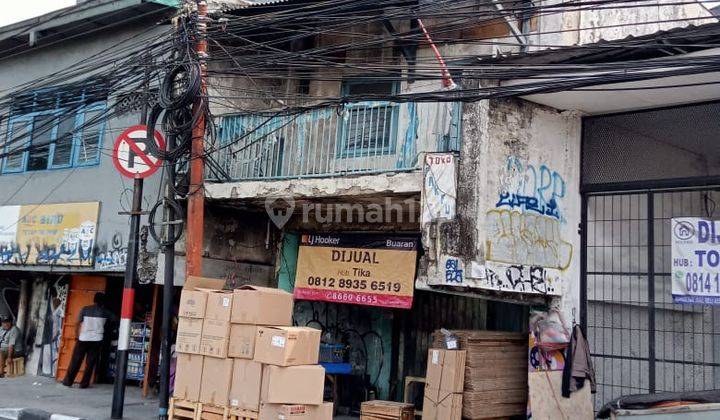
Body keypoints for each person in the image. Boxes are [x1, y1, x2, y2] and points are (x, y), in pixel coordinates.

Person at [62, 292, 116, 388]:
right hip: (97, 340)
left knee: (75, 361)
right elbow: (115, 319)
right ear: (103, 302)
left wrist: (76, 335)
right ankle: (84, 384)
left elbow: (77, 323)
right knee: (90, 363)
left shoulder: (85, 309)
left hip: (83, 338)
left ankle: (68, 382)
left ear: (94, 300)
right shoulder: (105, 312)